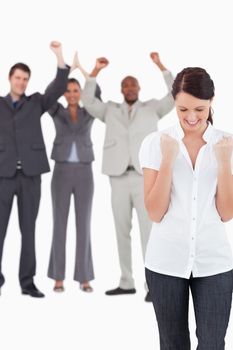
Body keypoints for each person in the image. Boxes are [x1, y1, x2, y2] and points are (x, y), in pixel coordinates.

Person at [139, 67, 233, 348]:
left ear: (212, 101)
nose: (191, 118)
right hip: (165, 261)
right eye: (183, 110)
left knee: (213, 343)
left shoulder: (226, 145)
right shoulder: (156, 143)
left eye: (199, 109)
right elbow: (155, 212)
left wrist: (225, 163)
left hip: (214, 262)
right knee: (172, 343)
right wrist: (168, 160)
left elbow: (227, 212)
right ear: (173, 104)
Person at [79, 52, 174, 301]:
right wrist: (95, 72)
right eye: (125, 84)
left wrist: (160, 66)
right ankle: (126, 281)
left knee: (148, 232)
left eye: (133, 84)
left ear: (139, 88)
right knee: (121, 230)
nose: (129, 88)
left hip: (146, 178)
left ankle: (153, 284)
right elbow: (87, 101)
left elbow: (175, 95)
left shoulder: (153, 107)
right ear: (121, 89)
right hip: (118, 177)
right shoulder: (109, 109)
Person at [0, 41, 70, 298]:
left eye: (25, 79)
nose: (21, 82)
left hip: (30, 176)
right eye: (18, 78)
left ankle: (27, 281)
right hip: (3, 176)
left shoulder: (36, 102)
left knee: (28, 230)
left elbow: (59, 86)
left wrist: (59, 56)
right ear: (10, 78)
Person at [47, 56, 107, 293]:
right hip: (61, 172)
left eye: (76, 90)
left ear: (81, 93)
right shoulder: (57, 110)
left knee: (84, 224)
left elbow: (98, 96)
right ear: (64, 93)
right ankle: (58, 277)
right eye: (68, 91)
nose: (72, 94)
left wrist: (87, 71)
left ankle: (84, 277)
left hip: (84, 173)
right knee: (59, 224)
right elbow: (49, 95)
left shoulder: (88, 111)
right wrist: (63, 73)